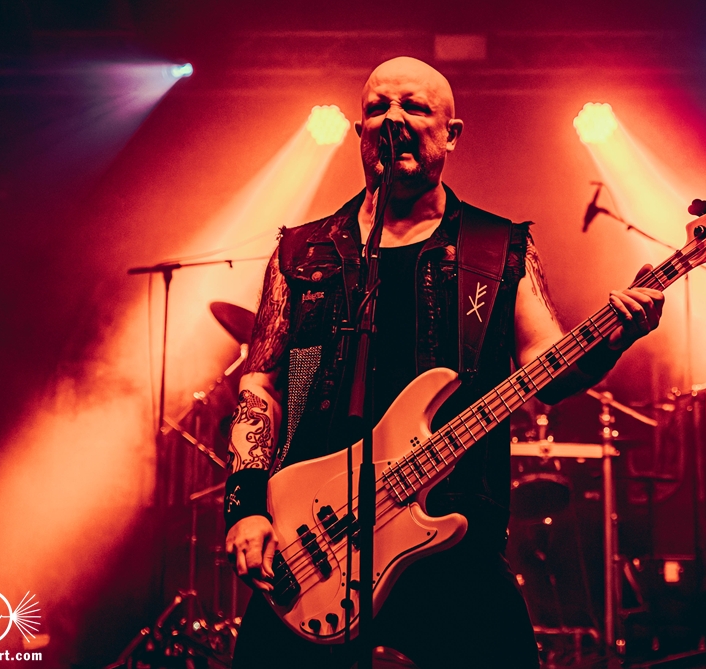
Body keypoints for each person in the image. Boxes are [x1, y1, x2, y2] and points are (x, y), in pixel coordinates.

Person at [222, 56, 664, 668]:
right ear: (359, 130)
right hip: (313, 541)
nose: (393, 119)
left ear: (451, 134)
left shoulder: (497, 247)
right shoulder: (302, 251)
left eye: (414, 107)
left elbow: (548, 370)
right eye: (377, 108)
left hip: (454, 540)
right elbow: (263, 385)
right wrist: (246, 507)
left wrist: (614, 338)